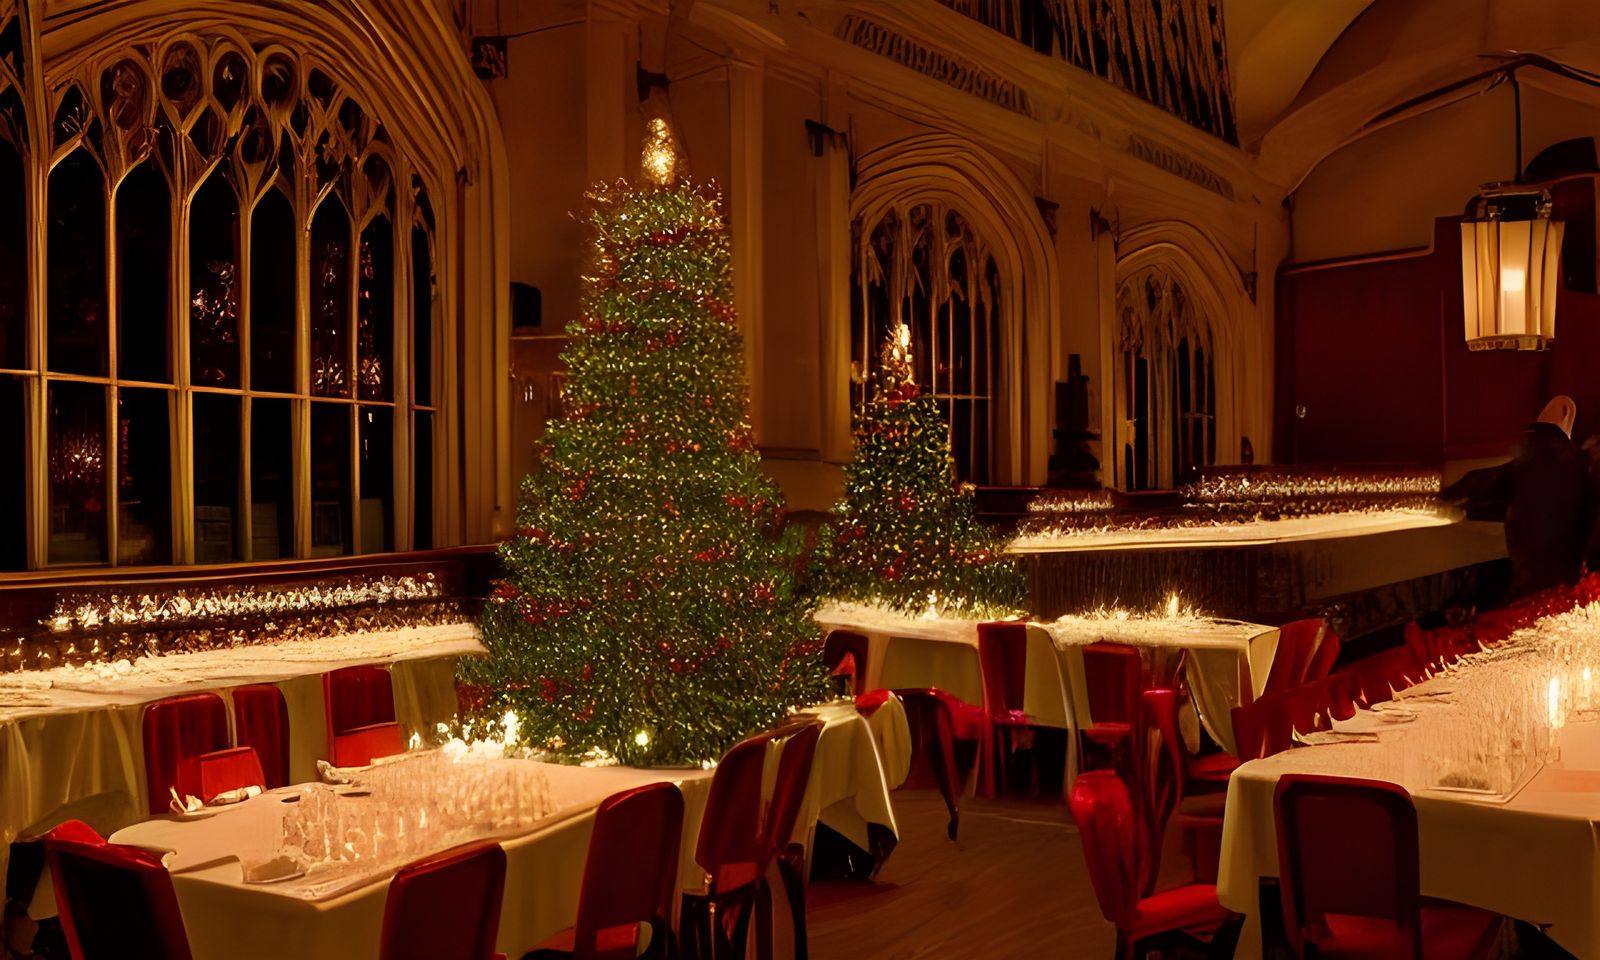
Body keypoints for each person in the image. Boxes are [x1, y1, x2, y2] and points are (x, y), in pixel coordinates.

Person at [1443, 396, 1590, 599]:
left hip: (1533, 585)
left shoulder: (1521, 468)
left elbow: (1475, 489)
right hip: (1569, 583)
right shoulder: (1583, 464)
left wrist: (1447, 500)